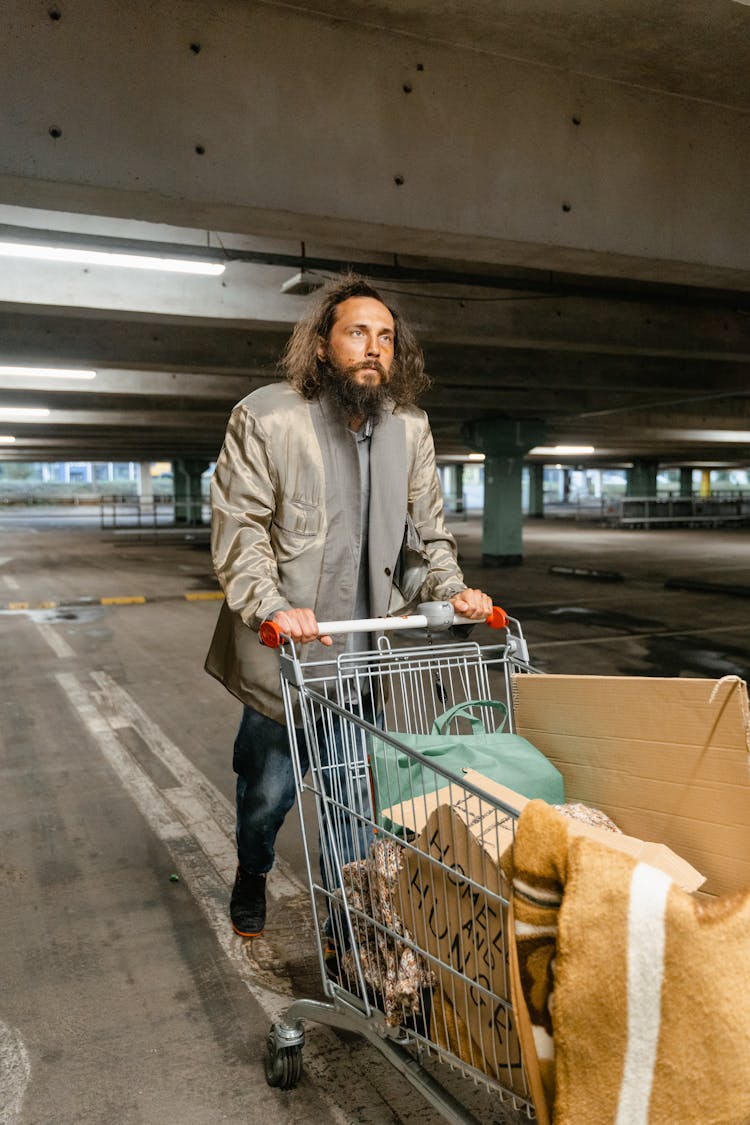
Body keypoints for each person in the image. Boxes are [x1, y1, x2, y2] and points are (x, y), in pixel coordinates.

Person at [205, 273, 493, 938]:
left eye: (386, 337)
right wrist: (273, 605)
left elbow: (426, 542)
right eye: (358, 333)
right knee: (267, 797)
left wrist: (454, 593)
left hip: (364, 662)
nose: (374, 347)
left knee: (351, 806)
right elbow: (240, 532)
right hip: (290, 663)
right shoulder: (267, 418)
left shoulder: (410, 430)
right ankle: (253, 869)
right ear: (322, 347)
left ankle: (348, 939)